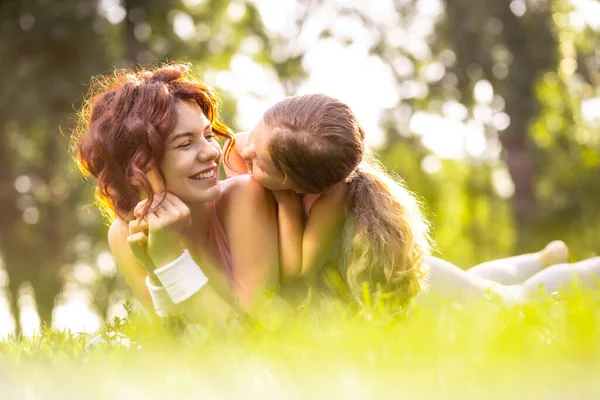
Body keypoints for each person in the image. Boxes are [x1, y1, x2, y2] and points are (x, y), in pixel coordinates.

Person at [225, 93, 600, 306]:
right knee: (474, 282)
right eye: (255, 133)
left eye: (259, 159)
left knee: (510, 302)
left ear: (300, 184)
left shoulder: (330, 201)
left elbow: (298, 268)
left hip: (419, 293)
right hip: (426, 278)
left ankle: (584, 271)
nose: (246, 147)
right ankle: (537, 259)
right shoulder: (280, 156)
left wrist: (285, 203)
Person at [72, 63, 282, 322]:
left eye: (207, 135)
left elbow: (256, 333)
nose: (211, 152)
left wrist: (168, 259)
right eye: (185, 144)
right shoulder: (126, 234)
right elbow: (178, 338)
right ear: (136, 166)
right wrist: (154, 268)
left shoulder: (244, 196)